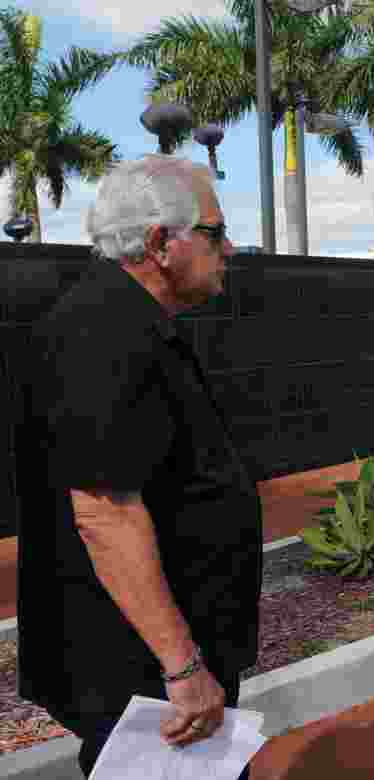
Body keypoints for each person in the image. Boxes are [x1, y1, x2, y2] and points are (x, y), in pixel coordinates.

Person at [14, 155, 261, 778]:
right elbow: (105, 516)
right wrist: (182, 667)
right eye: (213, 231)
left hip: (157, 662)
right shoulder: (103, 332)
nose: (229, 247)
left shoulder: (135, 324)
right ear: (160, 243)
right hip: (145, 675)